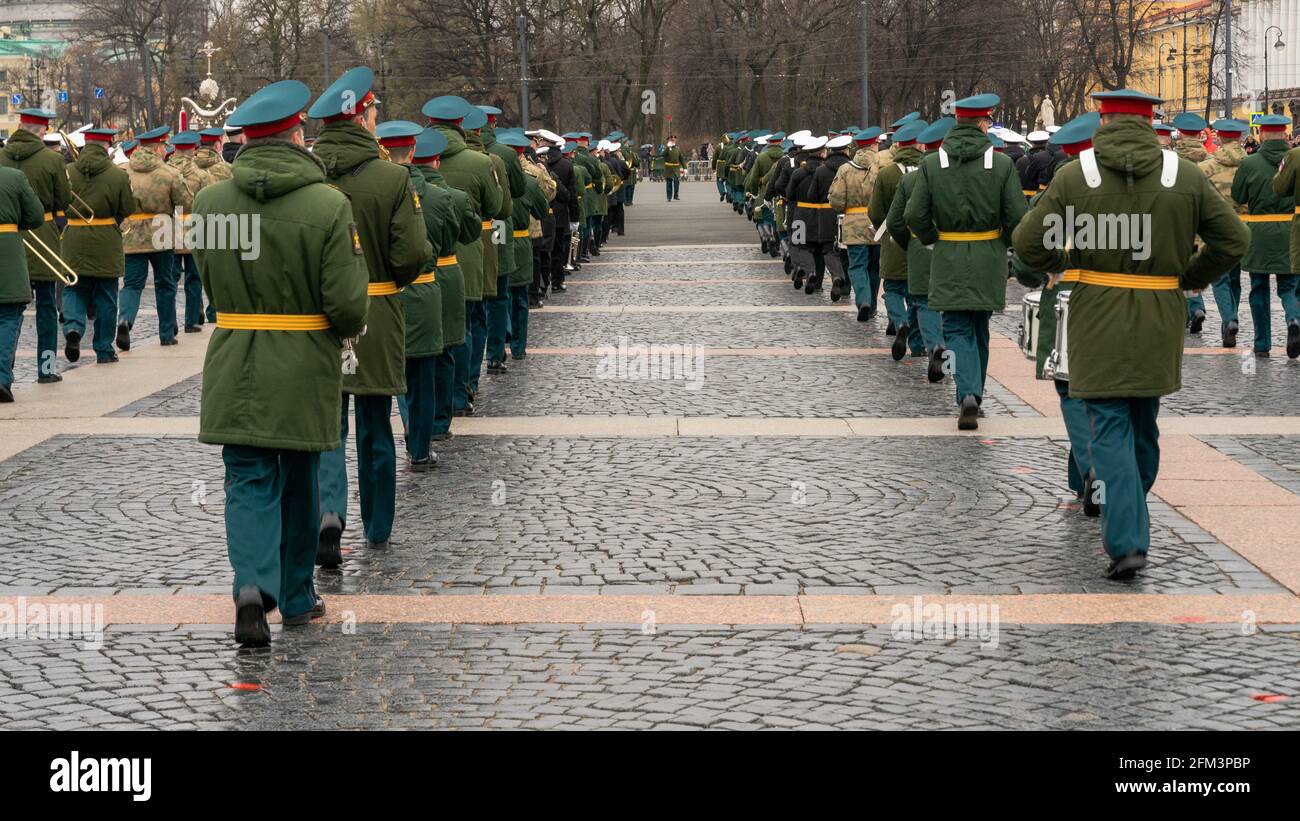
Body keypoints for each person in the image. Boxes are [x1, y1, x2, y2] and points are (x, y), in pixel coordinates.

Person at [1013, 88, 1249, 580]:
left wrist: (1067, 263)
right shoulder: (1182, 174)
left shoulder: (1076, 176)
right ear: (1150, 123)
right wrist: (1190, 276)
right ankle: (1131, 519)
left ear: (1103, 123)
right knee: (1144, 421)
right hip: (1160, 313)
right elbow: (1234, 239)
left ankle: (1126, 541)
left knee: (1108, 426)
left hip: (1095, 312)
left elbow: (1026, 244)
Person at [192, 79, 369, 645]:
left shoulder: (210, 202)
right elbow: (345, 305)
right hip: (302, 365)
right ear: (297, 134)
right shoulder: (327, 204)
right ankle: (295, 597)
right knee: (300, 483)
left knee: (245, 479)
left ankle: (250, 586)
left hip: (235, 358)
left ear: (246, 141)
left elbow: (209, 286)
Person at [311, 67, 431, 567]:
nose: (378, 120)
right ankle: (377, 526)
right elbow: (411, 256)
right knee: (376, 425)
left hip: (318, 320)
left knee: (327, 426)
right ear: (361, 116)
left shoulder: (310, 172)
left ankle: (328, 517)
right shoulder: (392, 176)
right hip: (377, 311)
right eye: (375, 112)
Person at [905, 94, 1027, 430]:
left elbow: (913, 214)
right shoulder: (1002, 164)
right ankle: (976, 391)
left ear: (957, 122)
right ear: (984, 122)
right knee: (979, 326)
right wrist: (1005, 242)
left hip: (948, 254)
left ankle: (967, 392)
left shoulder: (931, 165)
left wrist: (932, 238)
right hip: (989, 255)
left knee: (956, 327)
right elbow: (1018, 216)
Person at [425, 95, 504, 416]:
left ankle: (436, 398)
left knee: (433, 333)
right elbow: (497, 208)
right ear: (461, 124)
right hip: (469, 252)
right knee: (469, 324)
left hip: (426, 256)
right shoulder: (481, 162)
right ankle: (465, 388)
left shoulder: (421, 157)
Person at [409, 126, 481, 442]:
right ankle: (446, 411)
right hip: (446, 273)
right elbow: (466, 234)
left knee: (414, 357)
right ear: (436, 161)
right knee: (452, 344)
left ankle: (418, 422)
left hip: (405, 281)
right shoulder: (452, 197)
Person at [0, 108, 70, 384]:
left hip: (6, 240)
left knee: (8, 306)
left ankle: (7, 366)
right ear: (43, 131)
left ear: (20, 126)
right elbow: (63, 199)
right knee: (46, 307)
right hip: (42, 232)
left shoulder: (1, 155)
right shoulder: (51, 159)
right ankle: (47, 368)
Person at [62, 128, 136, 365]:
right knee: (106, 295)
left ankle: (73, 328)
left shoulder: (68, 171)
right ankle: (104, 349)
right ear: (107, 146)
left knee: (73, 288)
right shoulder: (118, 175)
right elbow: (127, 208)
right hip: (106, 238)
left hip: (73, 237)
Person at [887, 117, 954, 380]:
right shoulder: (972, 173)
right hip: (963, 248)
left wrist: (913, 243)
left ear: (925, 147)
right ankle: (962, 376)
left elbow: (895, 220)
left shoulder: (911, 179)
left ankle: (933, 345)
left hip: (921, 247)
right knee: (956, 309)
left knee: (925, 300)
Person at [116, 125, 190, 351]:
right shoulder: (169, 173)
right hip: (162, 233)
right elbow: (186, 203)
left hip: (130, 234)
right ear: (158, 148)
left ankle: (125, 320)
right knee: (165, 284)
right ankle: (167, 334)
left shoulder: (123, 170)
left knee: (132, 284)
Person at [1237, 114, 1299, 359]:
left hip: (1259, 233)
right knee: (1289, 288)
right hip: (1290, 231)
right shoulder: (1294, 159)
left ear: (1261, 134)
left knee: (1258, 288)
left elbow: (1238, 195)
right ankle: (1294, 319)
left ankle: (1262, 344)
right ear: (1285, 135)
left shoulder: (1250, 163)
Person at [872, 119, 929, 360]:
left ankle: (899, 321)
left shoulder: (886, 174)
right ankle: (917, 345)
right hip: (924, 240)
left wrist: (883, 230)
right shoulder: (930, 170)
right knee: (918, 294)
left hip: (894, 237)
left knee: (893, 288)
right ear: (919, 145)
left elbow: (875, 211)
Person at [1197, 119, 1251, 348]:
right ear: (1240, 137)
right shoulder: (1250, 164)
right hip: (1243, 228)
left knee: (1220, 279)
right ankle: (1232, 321)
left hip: (1217, 231)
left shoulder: (1207, 167)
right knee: (1235, 279)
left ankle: (1229, 320)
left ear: (1218, 137)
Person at [0, 162, 49, 402]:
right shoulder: (14, 177)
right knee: (8, 317)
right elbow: (36, 216)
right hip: (7, 251)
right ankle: (1, 378)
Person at [829, 127, 882, 321]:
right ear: (874, 145)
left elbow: (836, 200)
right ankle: (873, 305)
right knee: (874, 267)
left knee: (857, 265)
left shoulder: (846, 169)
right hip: (877, 223)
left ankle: (863, 300)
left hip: (853, 224)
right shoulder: (882, 166)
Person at [663, 134, 684, 201]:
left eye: (674, 139)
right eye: (672, 140)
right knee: (669, 183)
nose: (673, 140)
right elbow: (663, 155)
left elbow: (681, 159)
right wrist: (667, 147)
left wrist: (685, 167)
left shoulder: (677, 149)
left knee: (676, 182)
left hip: (676, 168)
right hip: (668, 168)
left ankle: (676, 195)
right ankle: (669, 197)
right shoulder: (667, 148)